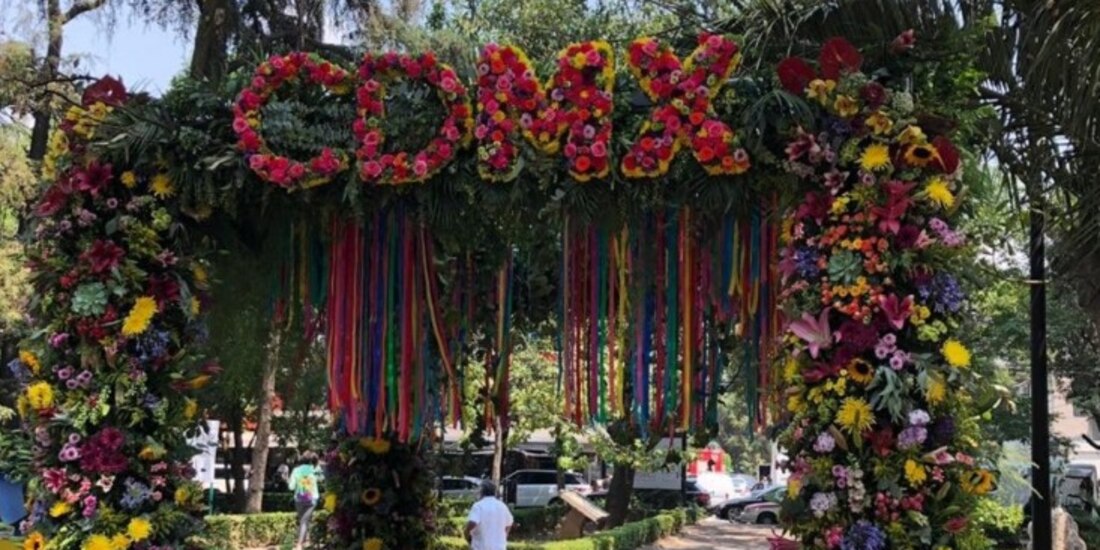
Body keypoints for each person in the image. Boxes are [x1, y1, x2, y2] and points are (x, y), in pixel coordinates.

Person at [465, 481, 513, 550]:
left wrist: (466, 533)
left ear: (481, 492)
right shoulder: (502, 506)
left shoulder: (478, 506)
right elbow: (509, 523)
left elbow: (473, 522)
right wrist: (504, 536)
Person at [288, 451, 320, 550]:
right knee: (305, 521)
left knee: (302, 521)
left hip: (299, 498)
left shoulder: (296, 470)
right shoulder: (315, 469)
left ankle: (301, 544)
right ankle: (302, 543)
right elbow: (322, 478)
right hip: (312, 498)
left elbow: (291, 487)